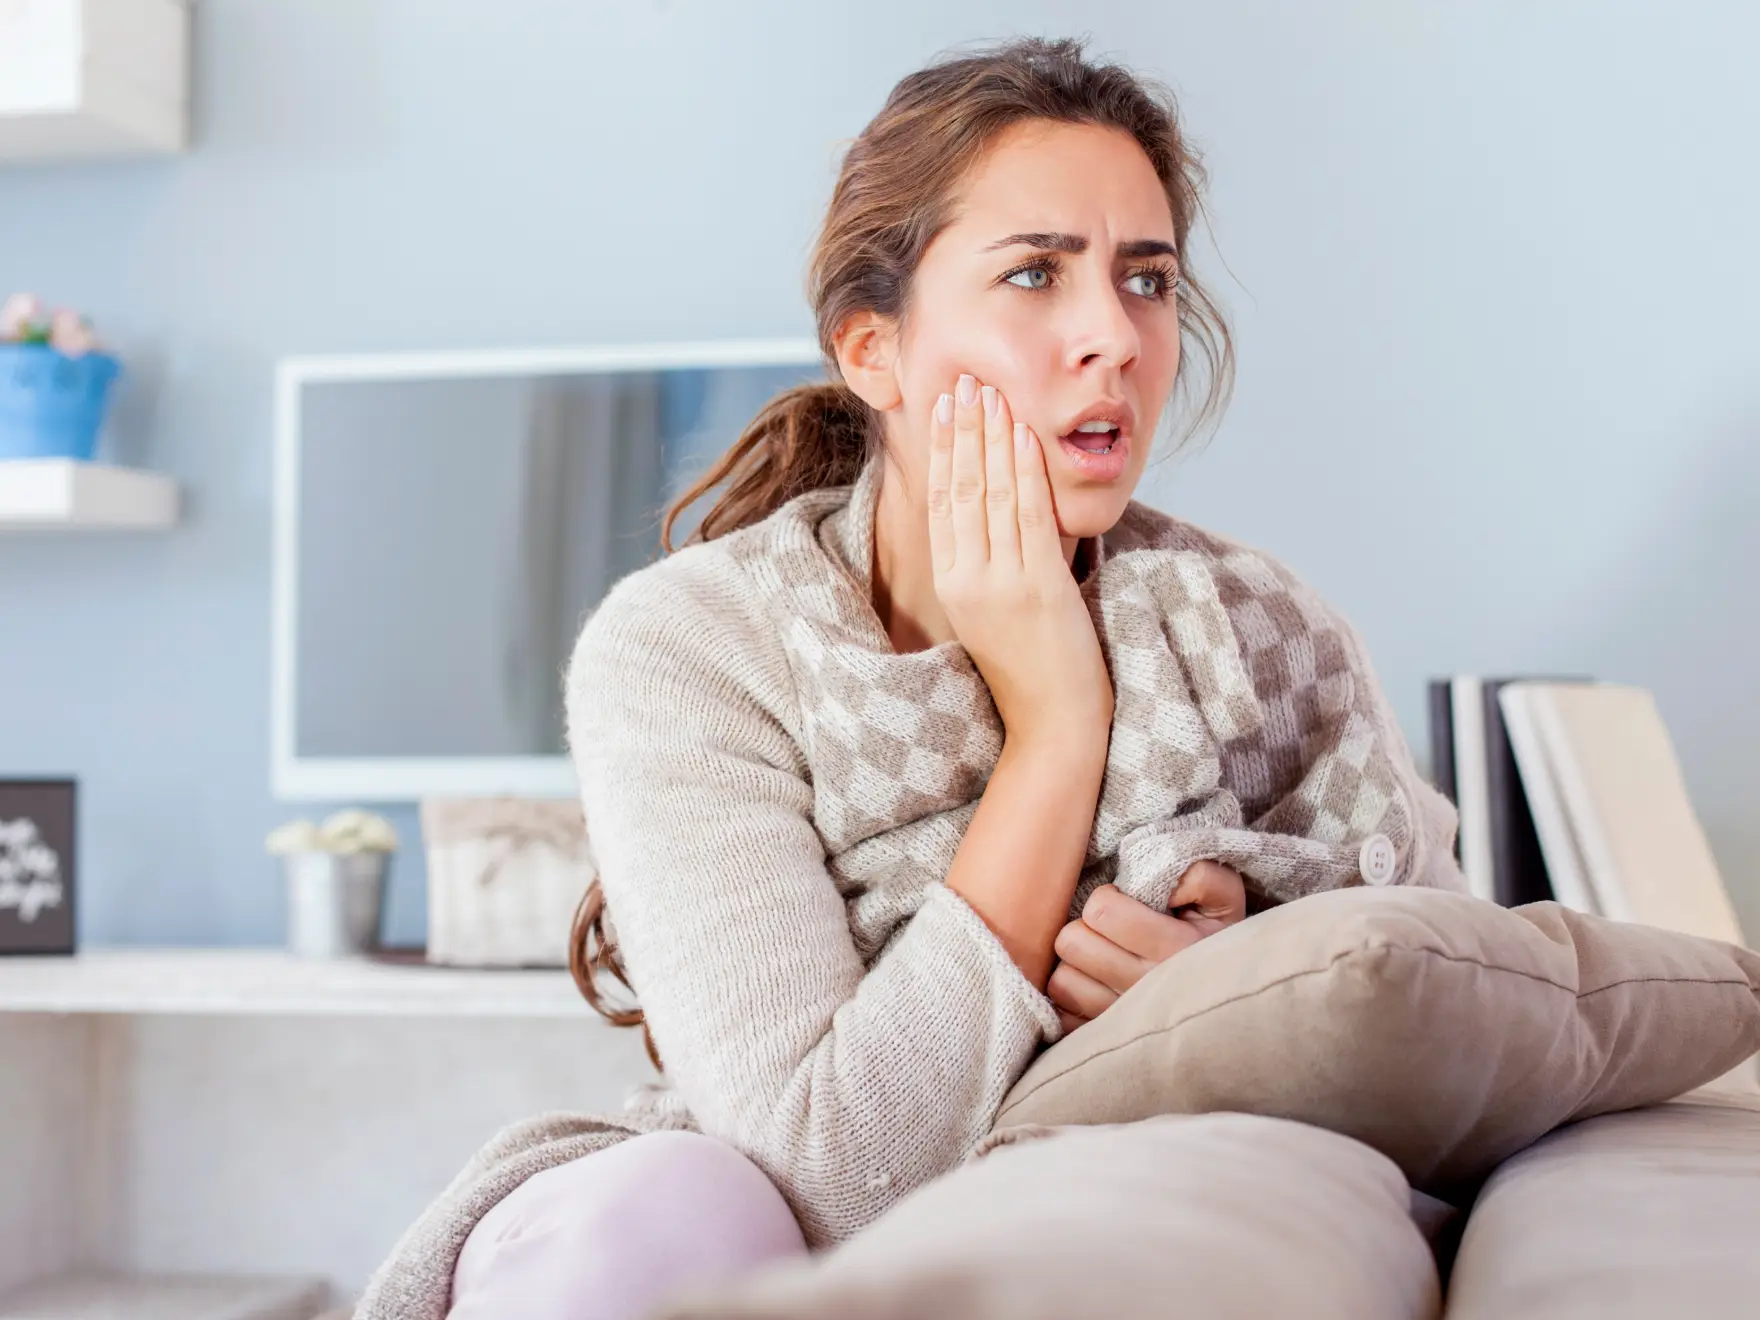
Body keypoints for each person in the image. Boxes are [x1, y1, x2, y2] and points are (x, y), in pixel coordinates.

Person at [356, 35, 1466, 1320]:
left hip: (1118, 1227)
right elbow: (828, 1177)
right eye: (1035, 274)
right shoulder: (693, 647)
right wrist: (1057, 724)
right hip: (710, 1244)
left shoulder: (1265, 634)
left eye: (1146, 279)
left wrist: (1226, 1026)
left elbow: (1460, 1055)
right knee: (671, 1205)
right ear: (871, 353)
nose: (1111, 335)